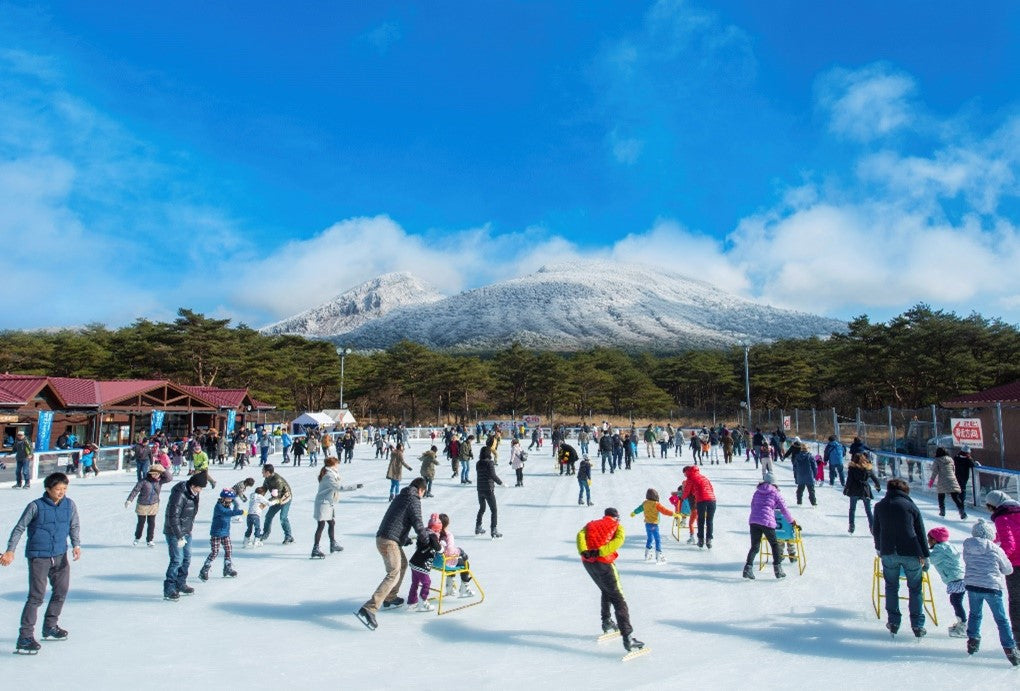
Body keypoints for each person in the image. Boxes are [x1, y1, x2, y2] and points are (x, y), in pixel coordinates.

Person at [2, 472, 81, 653]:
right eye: (58, 489)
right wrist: (10, 550)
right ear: (48, 489)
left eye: (64, 488)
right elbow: (19, 528)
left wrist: (76, 544)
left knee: (61, 591)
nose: (61, 492)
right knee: (36, 597)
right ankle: (25, 637)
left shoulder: (69, 505)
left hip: (60, 555)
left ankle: (50, 626)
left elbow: (74, 525)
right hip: (39, 556)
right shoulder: (35, 506)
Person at [355, 477, 431, 631]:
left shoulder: (403, 495)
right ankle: (370, 608)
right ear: (421, 490)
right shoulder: (414, 498)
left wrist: (404, 539)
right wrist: (427, 539)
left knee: (402, 565)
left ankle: (390, 597)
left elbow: (398, 519)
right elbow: (417, 521)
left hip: (386, 538)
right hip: (389, 541)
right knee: (394, 572)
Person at [577, 507, 644, 652]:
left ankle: (607, 621)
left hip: (587, 562)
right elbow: (619, 541)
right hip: (604, 562)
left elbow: (580, 535)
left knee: (605, 590)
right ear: (616, 517)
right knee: (619, 599)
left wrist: (584, 551)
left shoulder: (590, 524)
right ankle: (628, 638)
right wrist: (600, 551)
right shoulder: (617, 526)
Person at [873, 478, 929, 637]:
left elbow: (876, 530)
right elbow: (920, 532)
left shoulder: (880, 506)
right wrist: (925, 555)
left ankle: (893, 621)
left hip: (888, 552)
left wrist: (879, 548)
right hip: (911, 551)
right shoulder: (910, 505)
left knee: (891, 586)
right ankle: (917, 624)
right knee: (915, 588)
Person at [963, 519, 1019, 666]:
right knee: (1001, 619)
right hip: (992, 587)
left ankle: (973, 640)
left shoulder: (967, 547)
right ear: (990, 535)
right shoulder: (996, 549)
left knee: (975, 614)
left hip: (973, 585)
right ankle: (1010, 648)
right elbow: (1008, 569)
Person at [162, 471, 208, 601]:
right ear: (193, 485)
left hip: (186, 531)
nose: (201, 491)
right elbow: (173, 516)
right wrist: (179, 535)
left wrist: (188, 529)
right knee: (177, 559)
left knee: (187, 558)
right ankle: (169, 588)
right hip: (174, 532)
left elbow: (191, 513)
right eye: (200, 487)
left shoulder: (194, 494)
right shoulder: (179, 494)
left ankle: (180, 583)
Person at [742, 472, 795, 580]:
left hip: (754, 521)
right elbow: (784, 509)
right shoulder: (775, 493)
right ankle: (778, 570)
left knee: (755, 546)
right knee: (775, 545)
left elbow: (753, 505)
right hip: (767, 522)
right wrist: (792, 521)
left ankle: (748, 568)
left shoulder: (757, 492)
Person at [985, 489, 1020, 647]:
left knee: (1016, 601)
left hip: (1016, 566)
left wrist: (997, 561)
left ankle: (1018, 638)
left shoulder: (1002, 518)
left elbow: (1009, 545)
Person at [312, 457, 360, 558]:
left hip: (328, 502)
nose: (337, 465)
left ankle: (333, 543)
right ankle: (315, 548)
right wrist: (354, 486)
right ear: (332, 465)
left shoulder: (331, 473)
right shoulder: (329, 475)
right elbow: (338, 487)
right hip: (323, 503)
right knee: (321, 525)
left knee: (331, 523)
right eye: (336, 463)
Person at [926, 527, 967, 638]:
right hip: (959, 577)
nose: (928, 541)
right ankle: (962, 622)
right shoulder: (947, 546)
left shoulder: (940, 549)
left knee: (956, 601)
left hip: (955, 578)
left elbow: (930, 559)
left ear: (934, 540)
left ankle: (963, 625)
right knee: (955, 601)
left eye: (929, 539)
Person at [198, 489, 244, 581]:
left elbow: (235, 504)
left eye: (231, 499)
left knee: (228, 550)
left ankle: (227, 568)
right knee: (215, 552)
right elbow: (227, 513)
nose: (230, 500)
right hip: (216, 533)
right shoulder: (219, 507)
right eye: (228, 498)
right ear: (223, 498)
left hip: (225, 533)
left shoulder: (227, 505)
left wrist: (233, 498)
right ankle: (204, 569)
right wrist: (240, 512)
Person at [126, 464, 173, 546]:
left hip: (153, 504)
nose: (156, 475)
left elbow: (169, 478)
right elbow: (135, 490)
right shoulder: (143, 481)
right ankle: (137, 537)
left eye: (158, 474)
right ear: (150, 473)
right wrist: (129, 500)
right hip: (142, 504)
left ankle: (150, 540)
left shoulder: (160, 481)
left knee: (151, 523)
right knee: (141, 522)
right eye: (154, 473)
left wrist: (163, 470)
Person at [406, 514, 443, 612]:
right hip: (422, 564)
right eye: (439, 530)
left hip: (414, 563)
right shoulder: (432, 536)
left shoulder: (424, 533)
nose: (439, 531)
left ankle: (412, 601)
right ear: (435, 529)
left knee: (415, 582)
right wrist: (442, 548)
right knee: (427, 582)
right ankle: (423, 601)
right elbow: (437, 548)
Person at [630, 488, 673, 564]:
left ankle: (647, 554)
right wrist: (673, 514)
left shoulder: (645, 503)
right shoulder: (656, 504)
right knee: (657, 539)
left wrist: (634, 512)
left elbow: (639, 509)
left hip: (647, 524)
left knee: (650, 538)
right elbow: (664, 511)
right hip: (654, 525)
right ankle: (658, 554)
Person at [437, 512, 475, 597]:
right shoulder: (448, 535)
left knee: (454, 561)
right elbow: (450, 551)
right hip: (445, 563)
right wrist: (460, 551)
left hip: (435, 562)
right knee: (465, 563)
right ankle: (464, 588)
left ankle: (449, 587)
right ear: (447, 523)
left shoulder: (435, 533)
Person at [679, 465, 716, 549]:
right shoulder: (704, 477)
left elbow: (686, 492)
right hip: (712, 500)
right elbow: (711, 488)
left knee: (701, 520)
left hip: (701, 500)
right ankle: (709, 540)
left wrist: (682, 498)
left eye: (685, 473)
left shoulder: (690, 478)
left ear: (687, 472)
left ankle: (700, 540)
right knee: (709, 521)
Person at [844, 452, 881, 534]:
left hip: (854, 490)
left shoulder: (852, 469)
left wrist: (846, 489)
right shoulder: (868, 469)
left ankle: (851, 525)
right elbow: (875, 479)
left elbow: (849, 480)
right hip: (865, 490)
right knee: (868, 510)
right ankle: (872, 527)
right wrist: (878, 486)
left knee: (852, 509)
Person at [928, 447, 967, 519]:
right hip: (952, 479)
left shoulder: (937, 460)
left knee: (941, 496)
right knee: (955, 497)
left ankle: (942, 511)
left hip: (942, 480)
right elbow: (953, 469)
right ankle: (962, 511)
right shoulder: (950, 459)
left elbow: (934, 472)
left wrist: (931, 481)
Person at [260, 464, 294, 544]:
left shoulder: (277, 480)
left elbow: (277, 495)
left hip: (285, 498)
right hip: (276, 499)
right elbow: (264, 489)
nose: (262, 473)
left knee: (283, 517)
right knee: (268, 516)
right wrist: (258, 497)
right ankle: (265, 534)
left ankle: (288, 536)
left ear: (268, 472)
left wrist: (265, 504)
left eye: (263, 471)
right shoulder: (267, 478)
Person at [475, 445, 503, 538]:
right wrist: (501, 483)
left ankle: (478, 527)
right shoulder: (489, 463)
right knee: (494, 510)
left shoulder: (478, 463)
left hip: (480, 489)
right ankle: (494, 529)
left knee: (482, 508)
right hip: (488, 489)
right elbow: (492, 475)